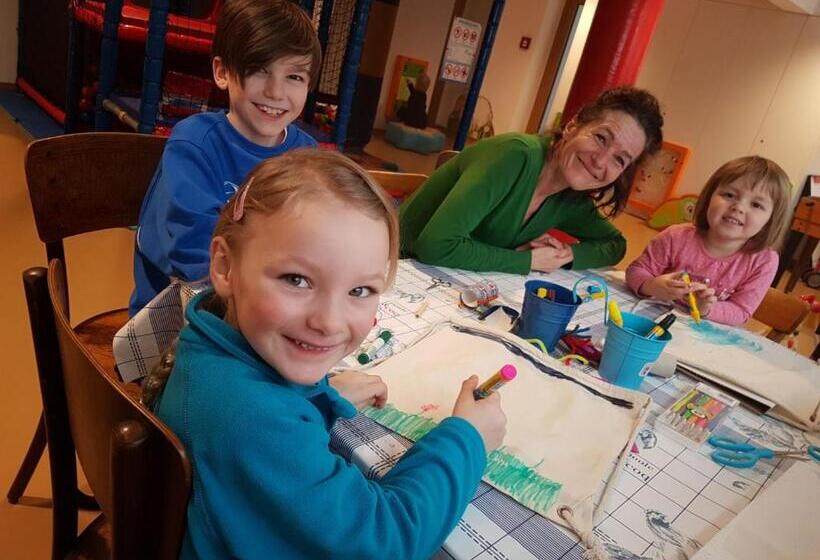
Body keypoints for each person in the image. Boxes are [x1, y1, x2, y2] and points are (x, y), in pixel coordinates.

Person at [153, 150, 507, 559]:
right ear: (225, 266)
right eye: (297, 279)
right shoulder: (251, 418)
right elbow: (387, 541)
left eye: (360, 290)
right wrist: (468, 437)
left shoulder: (210, 341)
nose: (329, 322)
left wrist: (319, 395)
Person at [129, 0, 321, 315]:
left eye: (294, 77)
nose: (276, 92)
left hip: (272, 304)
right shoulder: (194, 144)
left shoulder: (308, 158)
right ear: (222, 72)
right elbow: (192, 254)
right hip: (180, 313)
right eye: (259, 70)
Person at [399, 87, 664, 274]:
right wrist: (529, 261)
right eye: (600, 138)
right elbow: (436, 245)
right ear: (572, 126)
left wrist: (563, 255)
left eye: (620, 160)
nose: (601, 161)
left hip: (449, 283)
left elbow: (615, 246)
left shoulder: (571, 197)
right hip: (396, 269)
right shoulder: (514, 155)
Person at [625, 156, 791, 326]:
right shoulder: (675, 236)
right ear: (709, 197)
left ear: (770, 220)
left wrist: (707, 308)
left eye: (756, 205)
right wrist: (651, 285)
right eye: (729, 195)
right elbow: (636, 271)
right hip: (650, 321)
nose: (738, 207)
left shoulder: (764, 261)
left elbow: (741, 312)